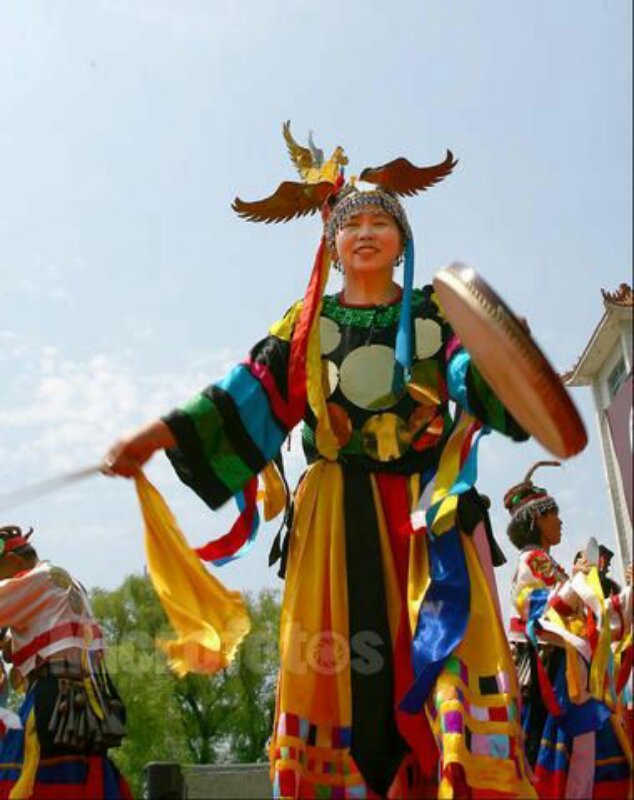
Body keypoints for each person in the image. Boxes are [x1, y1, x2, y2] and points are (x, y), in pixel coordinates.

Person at [105, 127, 536, 798]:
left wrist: (520, 380)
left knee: (446, 655)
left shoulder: (434, 313)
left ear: (403, 241)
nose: (365, 231)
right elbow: (248, 389)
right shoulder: (308, 324)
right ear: (331, 246)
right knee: (341, 666)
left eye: (380, 222)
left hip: (431, 515)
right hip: (335, 517)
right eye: (351, 223)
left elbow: (481, 378)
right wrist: (155, 437)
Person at [506, 463, 632, 799]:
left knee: (582, 755)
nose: (560, 521)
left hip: (571, 672)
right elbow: (536, 608)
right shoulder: (533, 561)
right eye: (553, 515)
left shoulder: (550, 565)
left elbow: (586, 613)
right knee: (568, 757)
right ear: (535, 521)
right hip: (551, 674)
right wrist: (577, 583)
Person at [0, 525, 131, 800]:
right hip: (84, 701)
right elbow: (43, 639)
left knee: (28, 774)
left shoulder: (38, 579)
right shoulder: (63, 582)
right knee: (79, 775)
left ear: (13, 561)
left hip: (55, 701)